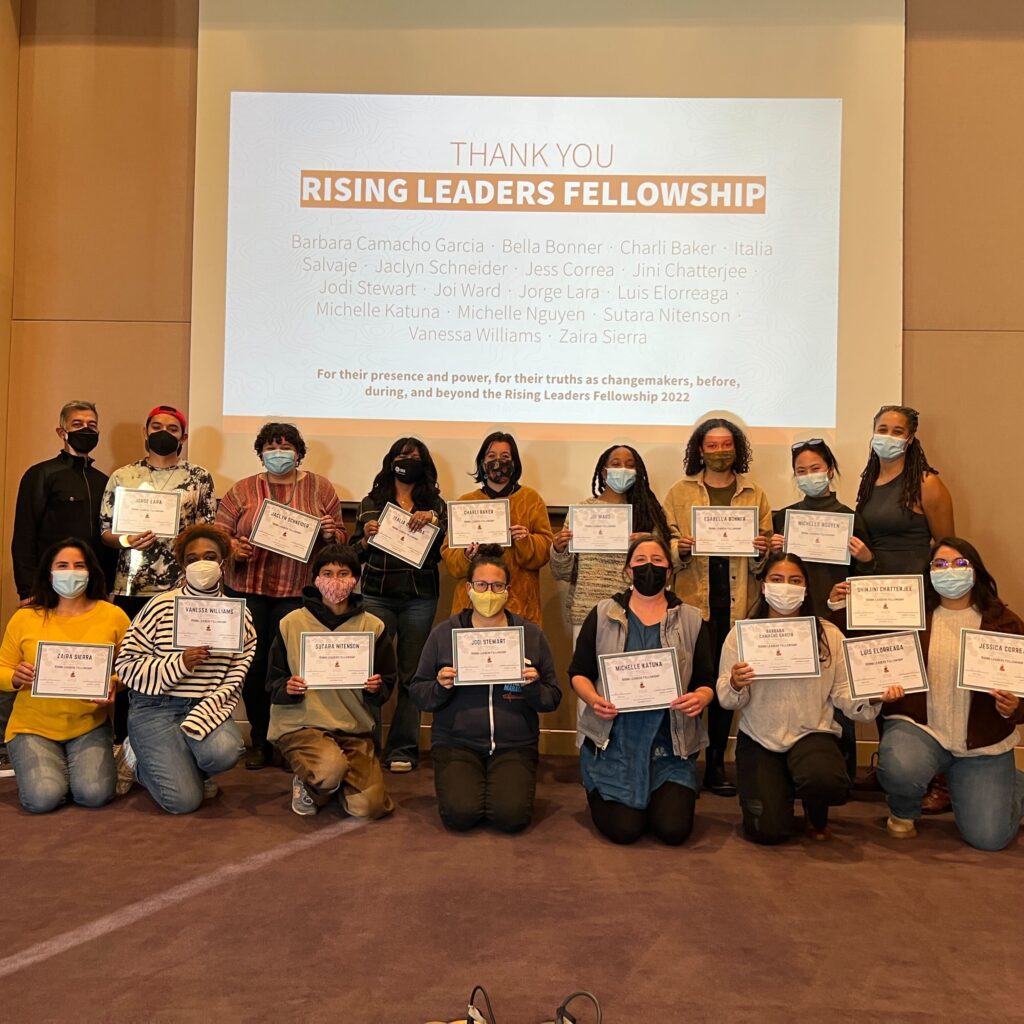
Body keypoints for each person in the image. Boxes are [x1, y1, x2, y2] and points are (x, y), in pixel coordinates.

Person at [718, 552, 894, 843]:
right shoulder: (741, 635)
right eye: (776, 579)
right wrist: (736, 684)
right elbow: (727, 700)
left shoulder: (828, 635)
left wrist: (873, 697)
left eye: (794, 580)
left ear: (806, 588)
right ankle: (778, 790)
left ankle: (815, 805)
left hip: (813, 733)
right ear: (763, 586)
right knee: (768, 833)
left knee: (825, 780)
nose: (785, 587)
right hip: (760, 736)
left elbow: (843, 695)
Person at [877, 538, 1023, 851]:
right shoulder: (910, 615)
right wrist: (838, 607)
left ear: (976, 571)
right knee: (900, 766)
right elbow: (863, 647)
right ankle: (903, 812)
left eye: (959, 564)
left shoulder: (1006, 624)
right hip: (921, 729)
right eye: (940, 564)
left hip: (981, 744)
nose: (949, 571)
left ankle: (1014, 783)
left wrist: (1013, 707)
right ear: (928, 572)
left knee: (990, 839)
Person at [215, 422, 345, 769]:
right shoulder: (242, 490)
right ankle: (259, 740)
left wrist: (331, 532)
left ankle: (290, 740)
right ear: (261, 452)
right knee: (254, 669)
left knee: (294, 670)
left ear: (299, 452)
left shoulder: (321, 488)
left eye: (286, 446)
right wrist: (232, 546)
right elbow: (217, 536)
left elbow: (342, 543)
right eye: (271, 447)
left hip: (297, 594)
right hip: (248, 591)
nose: (279, 453)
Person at [569, 535, 714, 845]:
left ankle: (658, 793)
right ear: (627, 571)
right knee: (626, 830)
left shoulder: (691, 618)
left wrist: (700, 698)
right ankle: (596, 785)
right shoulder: (603, 613)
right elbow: (579, 673)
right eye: (641, 561)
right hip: (615, 738)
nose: (650, 567)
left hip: (669, 744)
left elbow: (706, 679)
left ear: (670, 571)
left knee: (673, 831)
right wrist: (594, 699)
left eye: (658, 561)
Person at [410, 545, 561, 833]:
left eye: (497, 585)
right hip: (456, 742)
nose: (489, 592)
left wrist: (532, 686)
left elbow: (552, 698)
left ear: (508, 589)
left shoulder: (530, 634)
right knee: (460, 816)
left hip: (515, 744)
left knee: (511, 818)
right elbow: (419, 692)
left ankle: (498, 786)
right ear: (468, 588)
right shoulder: (445, 633)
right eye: (481, 584)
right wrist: (441, 686)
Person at [98, 405, 216, 756]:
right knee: (132, 663)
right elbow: (105, 530)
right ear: (145, 432)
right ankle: (125, 742)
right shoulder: (123, 476)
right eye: (156, 426)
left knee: (184, 662)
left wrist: (183, 539)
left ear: (183, 435)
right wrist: (125, 540)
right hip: (132, 585)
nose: (164, 431)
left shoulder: (198, 476)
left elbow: (208, 529)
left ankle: (182, 742)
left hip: (182, 587)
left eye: (172, 427)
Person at [661, 416, 770, 795]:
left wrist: (761, 552)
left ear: (737, 449)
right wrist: (680, 549)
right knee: (692, 682)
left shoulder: (754, 492)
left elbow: (766, 555)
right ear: (700, 450)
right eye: (713, 445)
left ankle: (717, 764)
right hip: (695, 603)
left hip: (739, 604)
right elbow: (666, 543)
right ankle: (684, 758)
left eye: (727, 445)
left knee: (725, 688)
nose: (721, 451)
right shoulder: (679, 491)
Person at [854, 405, 956, 811]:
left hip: (914, 600)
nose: (889, 436)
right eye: (882, 428)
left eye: (898, 430)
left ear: (911, 438)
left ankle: (939, 778)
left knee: (917, 689)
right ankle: (891, 768)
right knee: (884, 680)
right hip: (873, 596)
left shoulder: (928, 484)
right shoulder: (869, 481)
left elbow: (948, 548)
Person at [115, 524, 257, 814]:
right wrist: (178, 663)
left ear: (223, 561)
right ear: (182, 563)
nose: (201, 564)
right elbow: (126, 665)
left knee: (226, 750)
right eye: (192, 559)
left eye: (210, 556)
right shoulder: (159, 606)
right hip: (155, 707)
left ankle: (183, 766)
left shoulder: (238, 615)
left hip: (205, 705)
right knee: (183, 802)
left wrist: (204, 714)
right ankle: (137, 758)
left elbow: (235, 678)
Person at [768, 438, 875, 778]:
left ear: (830, 470)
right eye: (801, 471)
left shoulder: (850, 519)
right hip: (790, 619)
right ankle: (782, 771)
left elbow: (863, 580)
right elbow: (771, 575)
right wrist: (770, 551)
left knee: (839, 699)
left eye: (815, 469)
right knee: (787, 695)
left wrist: (866, 560)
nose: (809, 475)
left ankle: (840, 775)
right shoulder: (783, 518)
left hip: (834, 621)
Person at [267, 544, 396, 818]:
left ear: (355, 579)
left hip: (353, 727)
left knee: (369, 808)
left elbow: (386, 683)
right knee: (328, 771)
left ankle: (334, 781)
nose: (334, 581)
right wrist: (286, 688)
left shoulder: (373, 625)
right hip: (302, 724)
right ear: (315, 579)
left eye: (343, 573)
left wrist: (376, 688)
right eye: (327, 573)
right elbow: (273, 681)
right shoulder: (291, 622)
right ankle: (314, 782)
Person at [0, 539, 129, 813]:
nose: (71, 572)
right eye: (62, 565)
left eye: (79, 565)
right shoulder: (25, 618)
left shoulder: (113, 616)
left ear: (91, 571)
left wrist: (114, 683)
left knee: (94, 795)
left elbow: (133, 668)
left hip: (89, 725)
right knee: (42, 799)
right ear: (49, 572)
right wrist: (14, 677)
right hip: (31, 728)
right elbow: (2, 667)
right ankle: (60, 773)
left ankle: (75, 769)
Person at [351, 437, 447, 774]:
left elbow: (441, 556)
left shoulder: (436, 505)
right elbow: (355, 553)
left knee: (412, 674)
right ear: (391, 460)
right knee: (371, 672)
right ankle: (367, 743)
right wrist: (366, 537)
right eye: (403, 456)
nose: (408, 461)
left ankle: (404, 747)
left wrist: (434, 525)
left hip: (420, 597)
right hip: (377, 593)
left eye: (416, 457)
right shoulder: (370, 502)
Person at [551, 444, 671, 643]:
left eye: (630, 465)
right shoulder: (582, 512)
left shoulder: (648, 515)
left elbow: (664, 571)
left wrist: (648, 546)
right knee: (585, 673)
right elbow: (561, 573)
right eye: (616, 464)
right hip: (587, 611)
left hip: (635, 612)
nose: (623, 469)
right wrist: (559, 550)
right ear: (603, 471)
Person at [440, 431, 553, 626]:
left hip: (520, 603)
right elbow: (450, 557)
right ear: (482, 463)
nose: (498, 461)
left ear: (514, 463)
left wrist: (526, 540)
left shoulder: (531, 499)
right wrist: (466, 556)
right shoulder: (467, 503)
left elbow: (545, 551)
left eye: (505, 457)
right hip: (471, 605)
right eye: (491, 456)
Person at [11, 400, 115, 603]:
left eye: (91, 425)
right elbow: (25, 534)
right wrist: (26, 590)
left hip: (93, 588)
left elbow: (108, 538)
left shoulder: (104, 481)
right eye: (77, 424)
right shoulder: (41, 474)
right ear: (61, 432)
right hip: (48, 585)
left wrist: (109, 587)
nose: (86, 429)